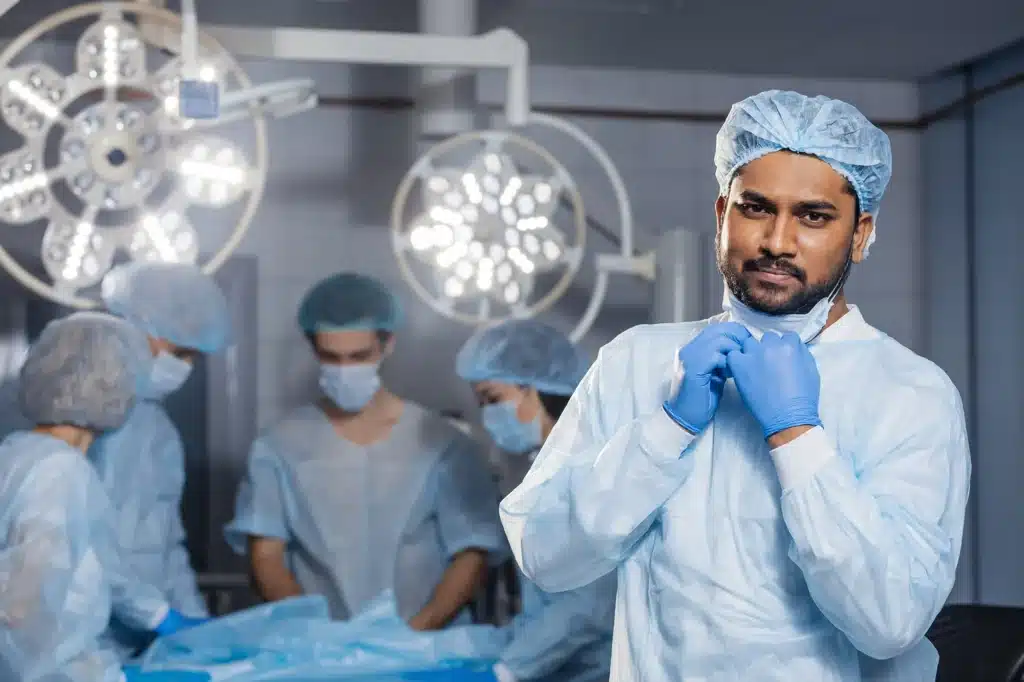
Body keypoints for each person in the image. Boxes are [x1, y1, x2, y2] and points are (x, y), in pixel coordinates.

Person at [499, 90, 971, 681]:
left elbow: (889, 622)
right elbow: (545, 557)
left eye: (813, 216)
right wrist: (663, 433)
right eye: (755, 208)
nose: (777, 240)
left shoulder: (911, 393)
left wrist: (798, 436)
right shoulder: (636, 361)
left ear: (860, 233)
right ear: (722, 214)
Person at [226, 273, 506, 628]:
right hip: (322, 653)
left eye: (359, 356)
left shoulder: (442, 444)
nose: (345, 370)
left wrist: (416, 634)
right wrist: (319, 637)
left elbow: (472, 552)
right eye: (332, 357)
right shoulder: (279, 447)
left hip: (426, 649)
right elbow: (266, 556)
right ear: (313, 349)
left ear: (387, 344)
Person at [0, 312, 204, 681]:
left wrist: (160, 615)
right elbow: (20, 610)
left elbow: (98, 559)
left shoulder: (19, 453)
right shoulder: (60, 472)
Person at [456, 320, 616, 682]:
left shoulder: (588, 469)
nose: (487, 415)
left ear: (537, 388)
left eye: (493, 399)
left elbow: (590, 604)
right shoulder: (546, 472)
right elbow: (545, 606)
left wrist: (509, 669)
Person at [89, 262, 229, 657]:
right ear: (130, 328)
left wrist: (192, 618)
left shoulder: (160, 431)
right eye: (179, 351)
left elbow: (167, 544)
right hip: (79, 644)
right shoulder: (79, 422)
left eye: (194, 356)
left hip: (142, 646)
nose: (186, 367)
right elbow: (78, 545)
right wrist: (156, 615)